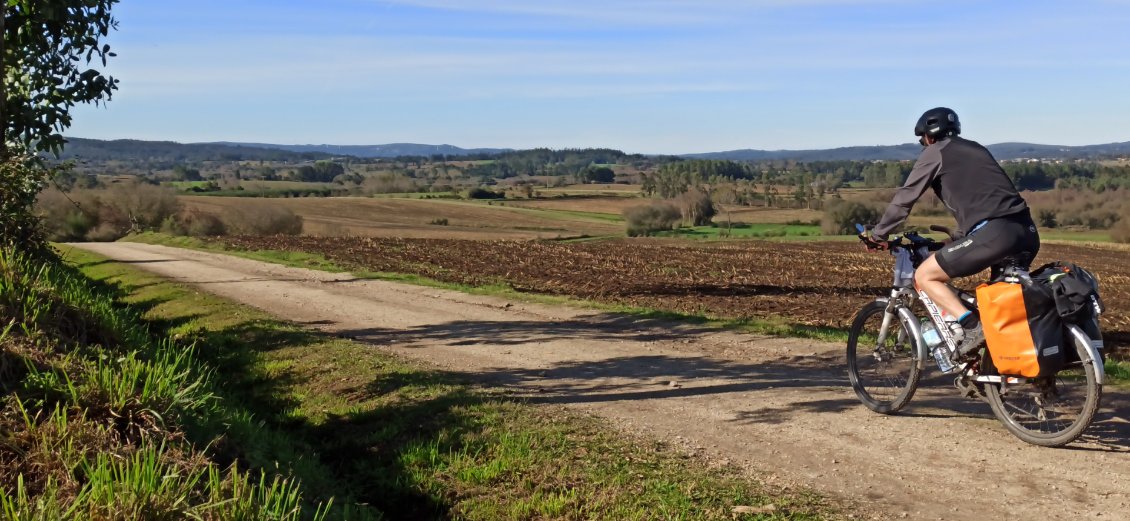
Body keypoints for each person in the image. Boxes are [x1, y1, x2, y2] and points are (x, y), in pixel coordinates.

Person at [864, 107, 1040, 360]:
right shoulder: (976, 149)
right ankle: (1004, 367)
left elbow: (905, 199)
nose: (922, 144)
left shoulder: (935, 152)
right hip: (1025, 232)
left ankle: (970, 327)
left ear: (929, 136)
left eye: (921, 140)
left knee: (925, 276)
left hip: (995, 235)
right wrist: (957, 239)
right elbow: (986, 199)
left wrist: (878, 235)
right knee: (999, 308)